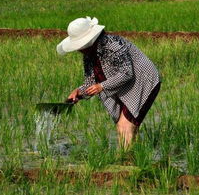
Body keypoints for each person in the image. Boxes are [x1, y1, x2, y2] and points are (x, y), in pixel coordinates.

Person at [57, 16, 161, 149]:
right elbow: (91, 82)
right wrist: (79, 92)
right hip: (123, 86)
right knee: (124, 126)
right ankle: (131, 160)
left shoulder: (112, 44)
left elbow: (126, 73)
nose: (78, 49)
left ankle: (126, 162)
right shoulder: (88, 55)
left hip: (143, 80)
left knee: (125, 126)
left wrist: (102, 86)